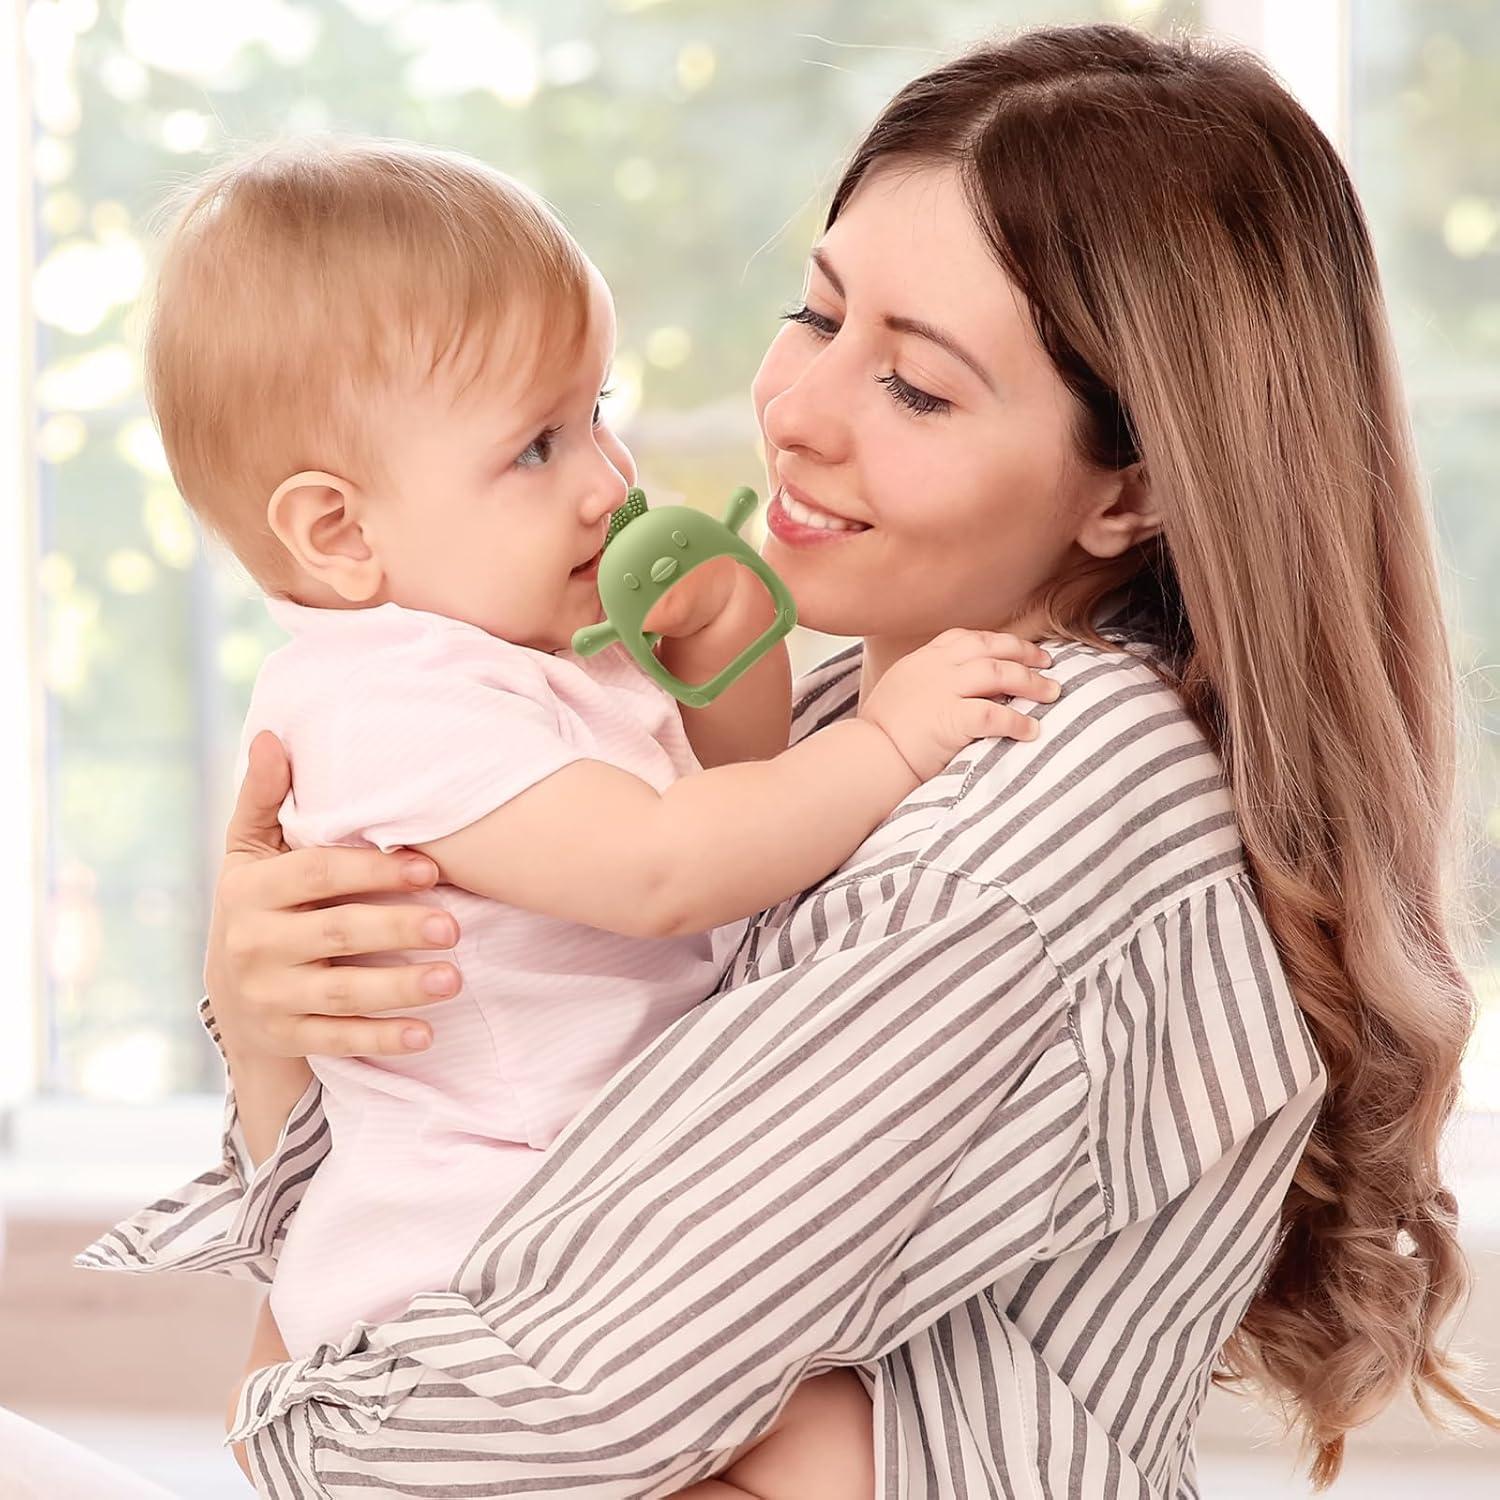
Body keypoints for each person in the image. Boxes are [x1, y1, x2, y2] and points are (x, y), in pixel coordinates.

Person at [78, 21, 1497, 1498]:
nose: (794, 414)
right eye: (815, 316)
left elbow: (506, 1424)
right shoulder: (837, 732)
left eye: (918, 387)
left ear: (1128, 492)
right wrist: (272, 1030)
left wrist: (285, 1402)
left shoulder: (1023, 816)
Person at [74, 136, 1058, 1498]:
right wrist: (890, 740)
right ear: (340, 533)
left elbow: (730, 782)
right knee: (833, 1450)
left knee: (864, 1446)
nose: (607, 478)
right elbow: (664, 870)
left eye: (597, 411)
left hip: (587, 1236)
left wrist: (726, 646)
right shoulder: (384, 705)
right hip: (469, 1282)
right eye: (536, 447)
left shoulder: (525, 639)